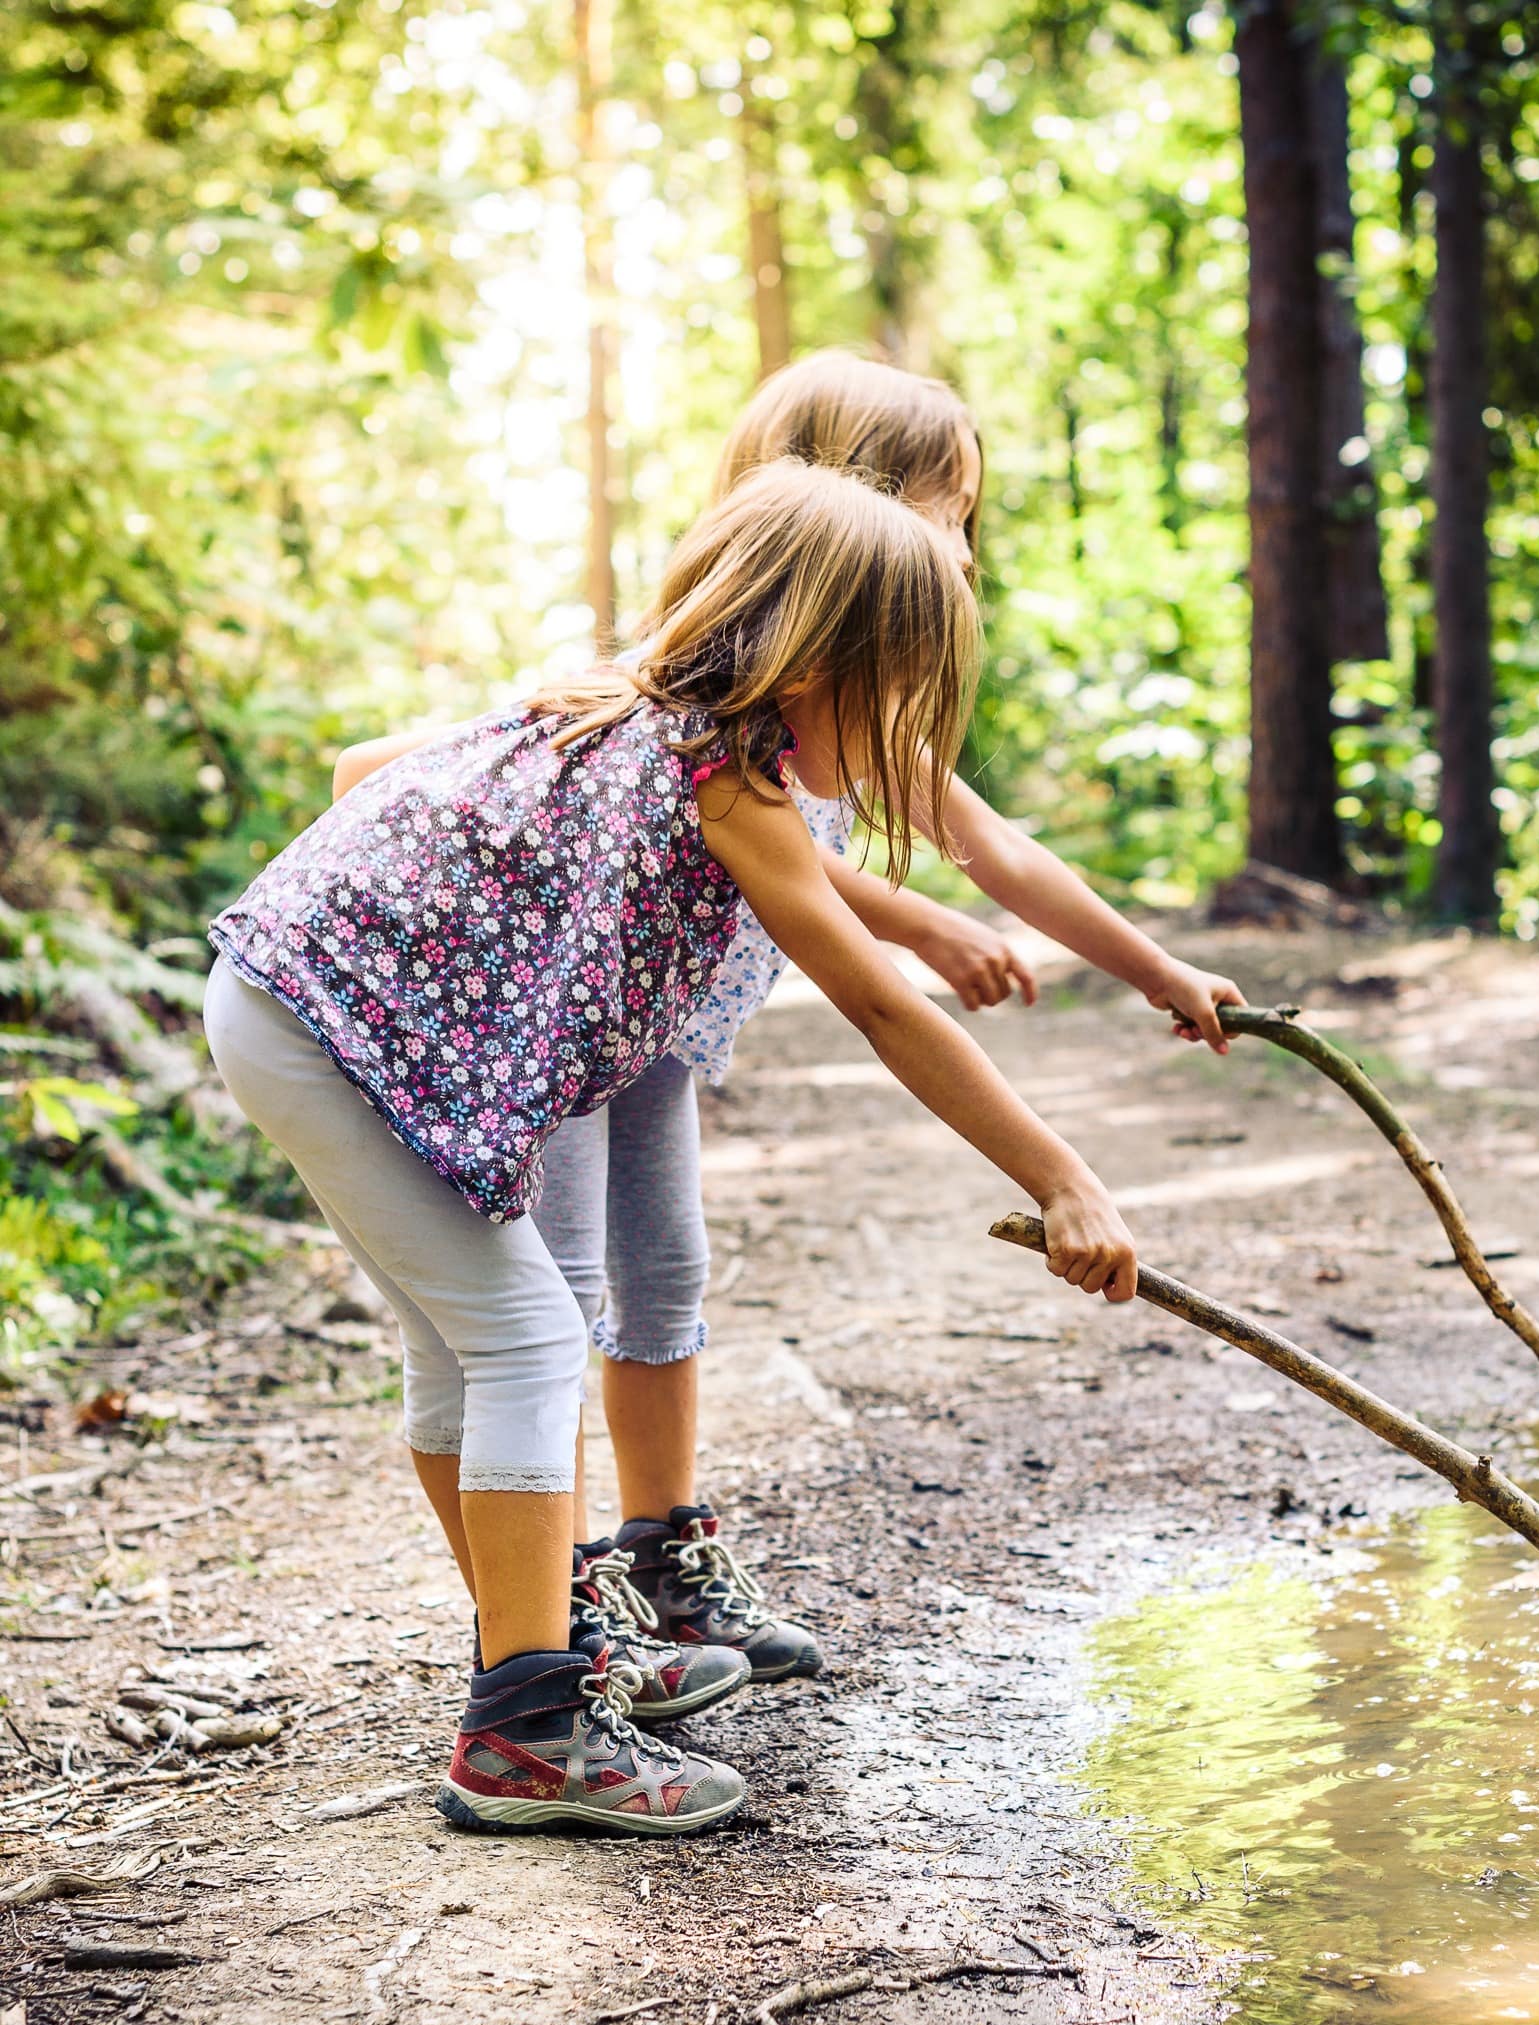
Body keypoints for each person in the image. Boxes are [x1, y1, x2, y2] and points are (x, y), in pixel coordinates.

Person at [204, 459, 1156, 1837]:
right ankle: (526, 1734)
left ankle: (541, 1665)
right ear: (820, 663)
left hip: (297, 1010)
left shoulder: (660, 721)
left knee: (464, 1350)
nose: (899, 736)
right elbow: (887, 1006)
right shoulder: (723, 779)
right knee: (530, 1340)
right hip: (332, 1029)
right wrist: (1064, 1178)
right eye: (893, 698)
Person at [332, 353, 1247, 1692]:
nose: (965, 551)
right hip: (568, 1025)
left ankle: (664, 1550)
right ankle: (559, 1597)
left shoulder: (844, 701)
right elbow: (377, 773)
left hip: (661, 1034)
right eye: (951, 512)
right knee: (561, 1296)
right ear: (850, 508)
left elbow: (990, 853)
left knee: (668, 1273)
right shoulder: (663, 691)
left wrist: (1154, 966)